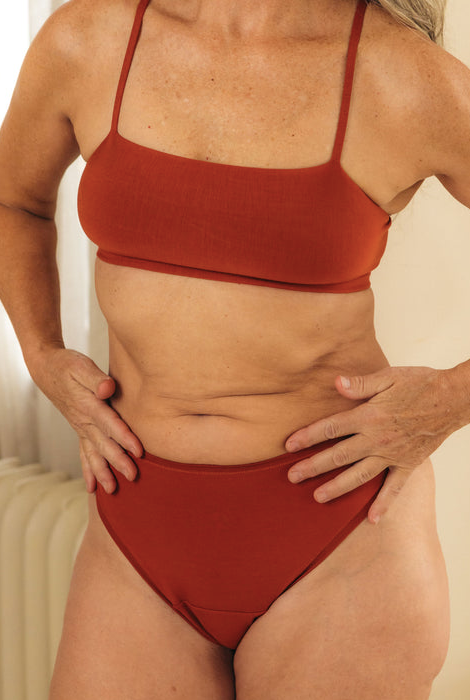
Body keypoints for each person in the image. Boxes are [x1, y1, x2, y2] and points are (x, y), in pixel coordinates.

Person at [0, 0, 469, 697]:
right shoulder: (87, 37)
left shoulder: (404, 76)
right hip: (134, 527)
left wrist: (450, 399)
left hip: (340, 534)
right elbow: (14, 200)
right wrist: (41, 353)